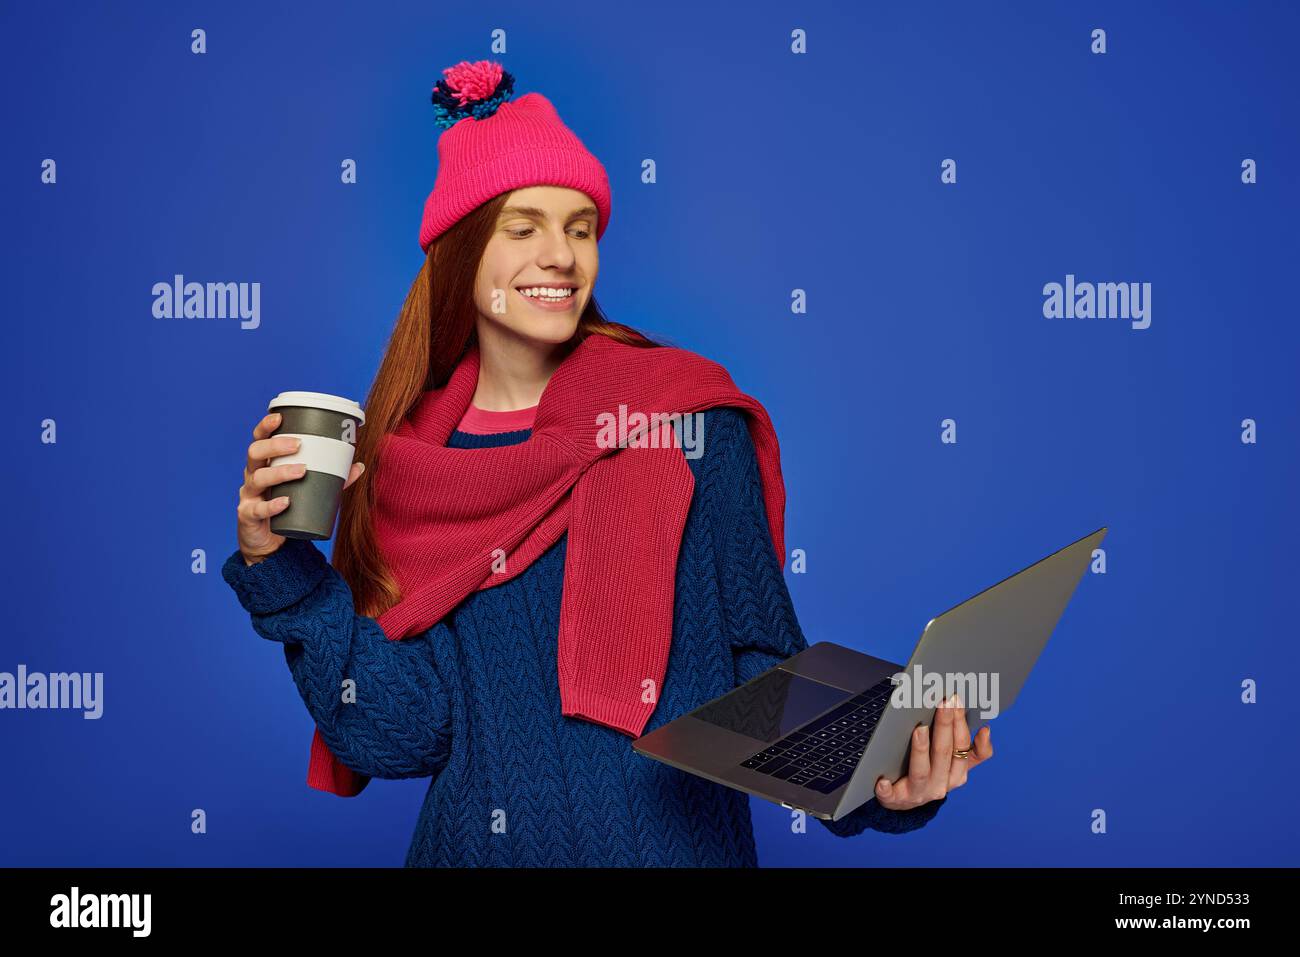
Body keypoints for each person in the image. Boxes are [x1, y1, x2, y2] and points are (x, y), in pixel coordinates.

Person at [222, 60, 993, 867]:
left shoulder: (683, 417)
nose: (560, 254)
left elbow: (761, 669)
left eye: (580, 226)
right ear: (462, 253)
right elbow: (405, 732)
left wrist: (876, 771)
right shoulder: (414, 467)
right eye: (523, 227)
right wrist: (281, 567)